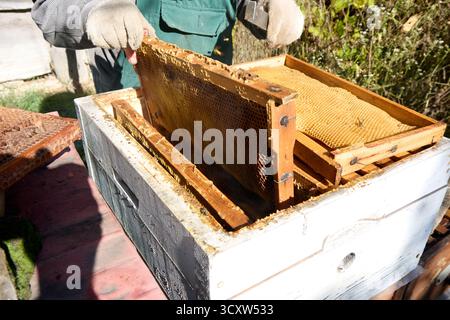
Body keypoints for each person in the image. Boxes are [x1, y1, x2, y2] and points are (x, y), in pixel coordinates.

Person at [32, 0, 304, 93]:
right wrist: (92, 12)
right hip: (131, 91)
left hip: (212, 92)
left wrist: (267, 7)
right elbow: (48, 9)